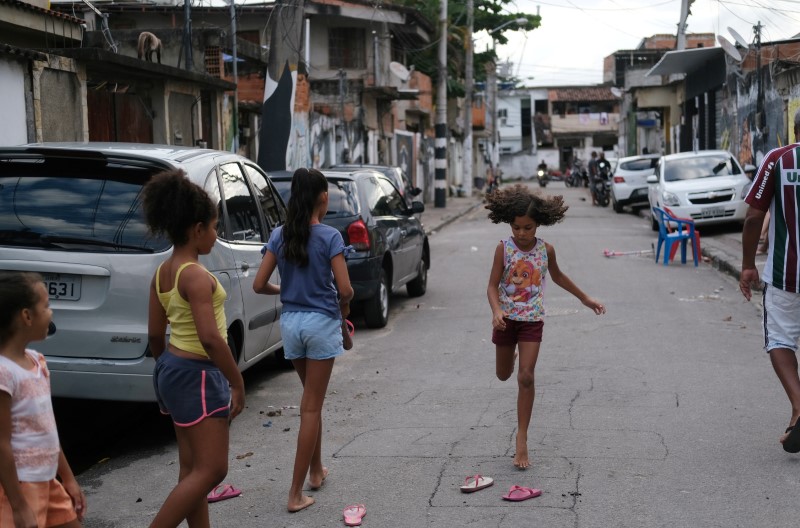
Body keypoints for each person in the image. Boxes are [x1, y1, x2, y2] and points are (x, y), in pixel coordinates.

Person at [142, 170, 245, 528]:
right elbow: (211, 338)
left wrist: (166, 369)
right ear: (197, 229)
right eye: (215, 228)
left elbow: (155, 334)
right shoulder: (195, 275)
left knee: (191, 469)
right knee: (214, 469)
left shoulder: (162, 272)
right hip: (199, 375)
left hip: (172, 368)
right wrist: (237, 381)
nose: (216, 236)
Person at [253, 168, 353, 512]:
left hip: (291, 324)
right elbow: (345, 289)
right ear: (323, 198)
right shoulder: (330, 236)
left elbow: (259, 284)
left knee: (312, 401)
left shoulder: (280, 235)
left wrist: (287, 290)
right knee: (310, 406)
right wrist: (346, 303)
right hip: (320, 323)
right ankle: (295, 493)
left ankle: (315, 471)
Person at [485, 185, 606, 469]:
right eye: (516, 227)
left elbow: (559, 277)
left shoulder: (545, 250)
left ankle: (522, 438)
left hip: (531, 321)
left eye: (527, 227)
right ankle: (510, 355)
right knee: (503, 375)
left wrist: (585, 299)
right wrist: (496, 310)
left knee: (526, 377)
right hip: (506, 321)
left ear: (538, 224)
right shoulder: (503, 249)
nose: (522, 233)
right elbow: (491, 286)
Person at [0, 271, 87, 528]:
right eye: (46, 306)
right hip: (21, 486)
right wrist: (17, 505)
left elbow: (47, 427)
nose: (51, 313)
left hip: (48, 480)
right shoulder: (4, 373)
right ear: (26, 316)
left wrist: (68, 478)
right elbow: (1, 442)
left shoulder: (37, 362)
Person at [740, 109, 800, 454]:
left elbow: (753, 218)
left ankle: (797, 405)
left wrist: (748, 264)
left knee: (780, 339)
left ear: (794, 129)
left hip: (785, 273)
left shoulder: (779, 159)